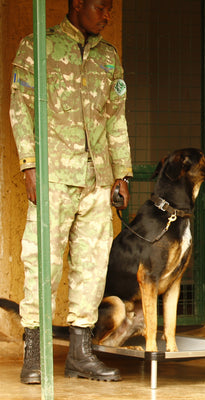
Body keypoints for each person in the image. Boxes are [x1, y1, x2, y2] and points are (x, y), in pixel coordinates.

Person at [10, 0, 132, 384]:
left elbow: (115, 118)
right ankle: (35, 353)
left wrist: (122, 174)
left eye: (111, 10)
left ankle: (80, 354)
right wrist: (29, 165)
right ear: (77, 4)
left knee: (92, 266)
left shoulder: (108, 57)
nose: (107, 15)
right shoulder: (38, 46)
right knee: (42, 263)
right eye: (101, 7)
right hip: (53, 174)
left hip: (97, 176)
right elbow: (21, 106)